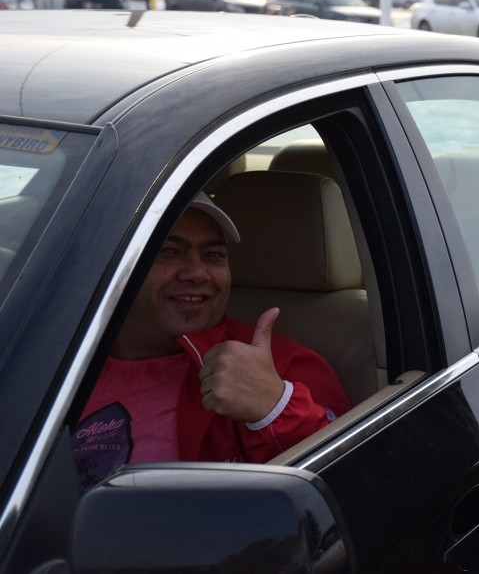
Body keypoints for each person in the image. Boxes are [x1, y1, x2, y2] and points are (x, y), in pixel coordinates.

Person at [72, 192, 351, 492]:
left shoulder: (282, 366)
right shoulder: (63, 355)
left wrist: (274, 409)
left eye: (213, 255)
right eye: (169, 251)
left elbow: (350, 489)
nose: (196, 273)